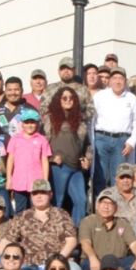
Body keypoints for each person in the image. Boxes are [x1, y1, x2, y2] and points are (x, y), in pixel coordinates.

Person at [0, 179, 79, 270]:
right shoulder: (22, 216)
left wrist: (57, 260)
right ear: (31, 196)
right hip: (28, 264)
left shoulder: (62, 214)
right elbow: (7, 240)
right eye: (35, 193)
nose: (39, 196)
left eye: (43, 192)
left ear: (50, 194)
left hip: (58, 263)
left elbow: (72, 241)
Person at [79, 189, 136, 270]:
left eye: (110, 203)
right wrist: (92, 258)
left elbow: (134, 243)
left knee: (135, 262)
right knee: (87, 264)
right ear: (97, 205)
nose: (106, 207)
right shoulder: (88, 221)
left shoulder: (122, 223)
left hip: (118, 261)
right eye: (103, 203)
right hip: (97, 259)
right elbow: (85, 242)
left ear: (116, 208)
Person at [43, 86, 91, 226]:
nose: (68, 100)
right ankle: (52, 232)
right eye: (64, 98)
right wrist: (51, 158)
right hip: (59, 167)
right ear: (59, 100)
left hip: (76, 167)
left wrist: (87, 159)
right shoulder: (50, 119)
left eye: (71, 98)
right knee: (58, 201)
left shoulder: (80, 120)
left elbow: (88, 144)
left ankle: (76, 232)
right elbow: (41, 142)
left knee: (81, 201)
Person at [92, 67, 136, 193]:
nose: (117, 81)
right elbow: (91, 119)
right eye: (114, 78)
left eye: (120, 78)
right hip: (101, 140)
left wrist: (132, 141)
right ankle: (99, 207)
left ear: (125, 81)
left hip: (122, 142)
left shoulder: (132, 99)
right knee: (100, 176)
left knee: (118, 177)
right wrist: (91, 141)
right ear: (109, 81)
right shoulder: (99, 96)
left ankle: (116, 208)